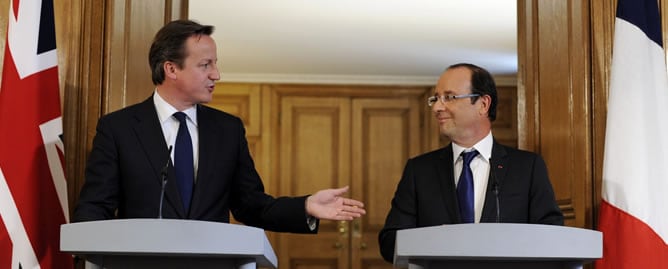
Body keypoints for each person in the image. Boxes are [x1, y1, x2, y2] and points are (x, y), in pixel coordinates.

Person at [73, 19, 365, 234]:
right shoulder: (118, 129)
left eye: (216, 64)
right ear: (171, 69)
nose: (217, 74)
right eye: (205, 65)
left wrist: (305, 207)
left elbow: (251, 205)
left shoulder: (228, 130)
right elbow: (94, 208)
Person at [377, 63, 563, 262]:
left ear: (483, 104)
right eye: (436, 99)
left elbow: (551, 235)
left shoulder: (527, 167)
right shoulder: (419, 170)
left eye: (449, 97)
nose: (437, 107)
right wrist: (437, 241)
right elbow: (389, 242)